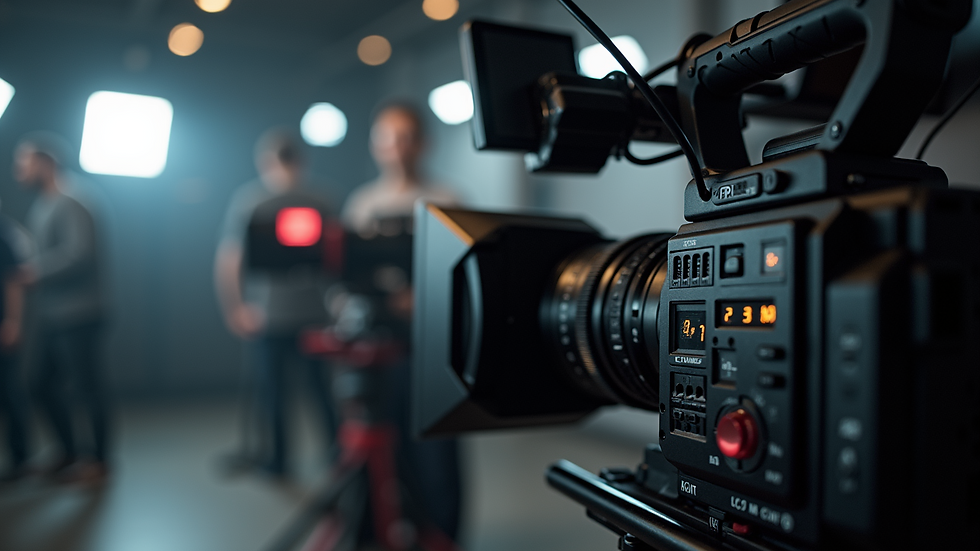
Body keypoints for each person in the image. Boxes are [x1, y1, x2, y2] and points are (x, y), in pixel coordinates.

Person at [341, 103, 462, 541]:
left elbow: (465, 277)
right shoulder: (362, 203)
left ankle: (442, 535)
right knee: (379, 444)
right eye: (388, 137)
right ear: (376, 145)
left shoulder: (447, 200)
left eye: (406, 135)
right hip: (374, 347)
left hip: (432, 347)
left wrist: (424, 297)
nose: (397, 147)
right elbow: (345, 276)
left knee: (435, 451)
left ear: (424, 142)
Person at [214, 129, 338, 478]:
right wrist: (237, 308)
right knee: (310, 394)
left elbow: (229, 259)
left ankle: (282, 462)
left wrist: (236, 308)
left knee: (286, 394)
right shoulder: (316, 199)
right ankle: (327, 458)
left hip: (296, 315)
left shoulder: (256, 200)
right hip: (286, 315)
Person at [14, 132, 110, 484]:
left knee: (89, 388)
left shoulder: (73, 199)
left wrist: (34, 272)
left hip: (80, 312)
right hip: (54, 314)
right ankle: (69, 453)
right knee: (39, 384)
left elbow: (79, 254)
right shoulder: (46, 202)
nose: (18, 171)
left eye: (23, 163)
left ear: (45, 162)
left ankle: (100, 461)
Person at [0, 211, 29, 482]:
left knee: (11, 393)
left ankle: (21, 459)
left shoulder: (5, 232)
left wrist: (13, 321)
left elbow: (15, 280)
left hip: (3, 326)